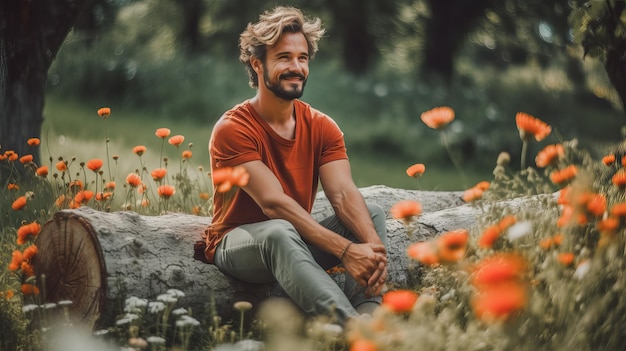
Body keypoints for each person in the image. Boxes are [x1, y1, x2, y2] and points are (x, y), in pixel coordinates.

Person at [204, 6, 388, 325]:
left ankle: (370, 315)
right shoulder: (233, 128)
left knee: (370, 214)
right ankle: (354, 330)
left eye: (302, 58)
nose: (296, 67)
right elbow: (273, 203)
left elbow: (343, 193)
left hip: (294, 242)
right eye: (284, 58)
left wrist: (372, 250)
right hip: (237, 245)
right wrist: (346, 251)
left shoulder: (322, 126)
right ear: (257, 63)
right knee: (279, 232)